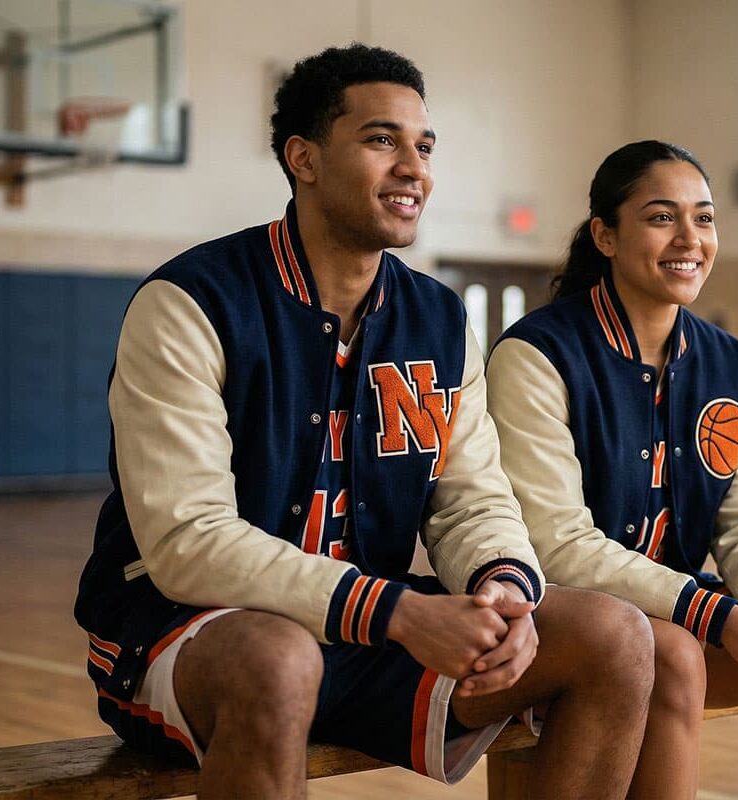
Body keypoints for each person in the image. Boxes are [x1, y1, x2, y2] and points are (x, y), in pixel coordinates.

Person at [74, 45, 654, 800]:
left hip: (369, 628)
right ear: (304, 158)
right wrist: (399, 612)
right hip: (190, 631)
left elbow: (470, 499)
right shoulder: (191, 303)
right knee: (279, 661)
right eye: (383, 140)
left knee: (615, 636)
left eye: (425, 145)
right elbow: (189, 542)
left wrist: (503, 584)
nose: (415, 167)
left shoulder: (440, 319)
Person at [486, 140, 738, 799]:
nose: (689, 238)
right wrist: (720, 619)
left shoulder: (724, 361)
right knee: (674, 654)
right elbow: (555, 545)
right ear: (605, 236)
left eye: (705, 217)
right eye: (662, 217)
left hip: (675, 615)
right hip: (560, 622)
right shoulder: (536, 355)